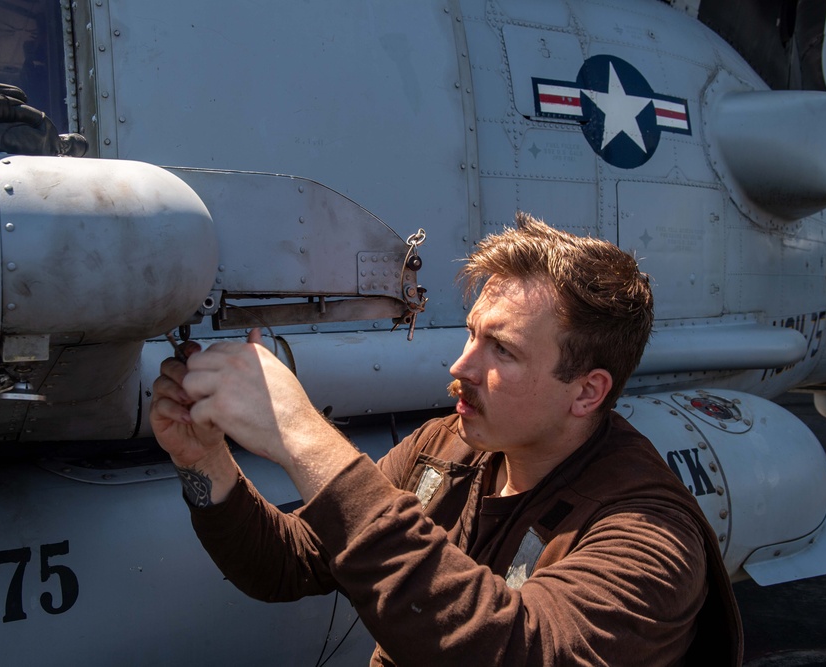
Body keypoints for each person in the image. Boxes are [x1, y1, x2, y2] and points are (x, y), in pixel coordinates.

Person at [150, 212, 743, 666]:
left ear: (587, 392)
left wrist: (304, 436)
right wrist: (205, 460)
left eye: (502, 351)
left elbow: (516, 648)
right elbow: (289, 562)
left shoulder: (650, 540)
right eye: (471, 336)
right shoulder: (452, 445)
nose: (460, 366)